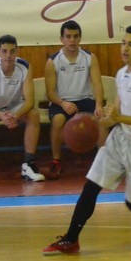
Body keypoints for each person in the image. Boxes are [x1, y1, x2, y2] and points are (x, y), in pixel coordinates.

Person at [42, 26, 131, 256]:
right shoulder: (121, 73)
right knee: (91, 185)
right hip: (120, 138)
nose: (125, 48)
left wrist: (119, 118)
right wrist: (103, 119)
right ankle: (71, 239)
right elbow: (118, 109)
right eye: (123, 43)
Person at [0, 34, 45, 185]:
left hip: (13, 107)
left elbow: (30, 101)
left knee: (34, 115)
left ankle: (28, 164)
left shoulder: (24, 66)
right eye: (4, 51)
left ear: (17, 52)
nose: (8, 55)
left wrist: (16, 116)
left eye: (12, 51)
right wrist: (2, 116)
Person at [43, 20, 104, 179]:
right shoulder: (53, 61)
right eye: (68, 36)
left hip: (85, 99)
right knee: (58, 120)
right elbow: (50, 93)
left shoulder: (90, 58)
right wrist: (63, 103)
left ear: (80, 38)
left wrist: (98, 105)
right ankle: (56, 161)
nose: (72, 40)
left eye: (76, 36)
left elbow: (97, 84)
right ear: (61, 39)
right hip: (61, 101)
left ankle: (103, 161)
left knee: (101, 119)